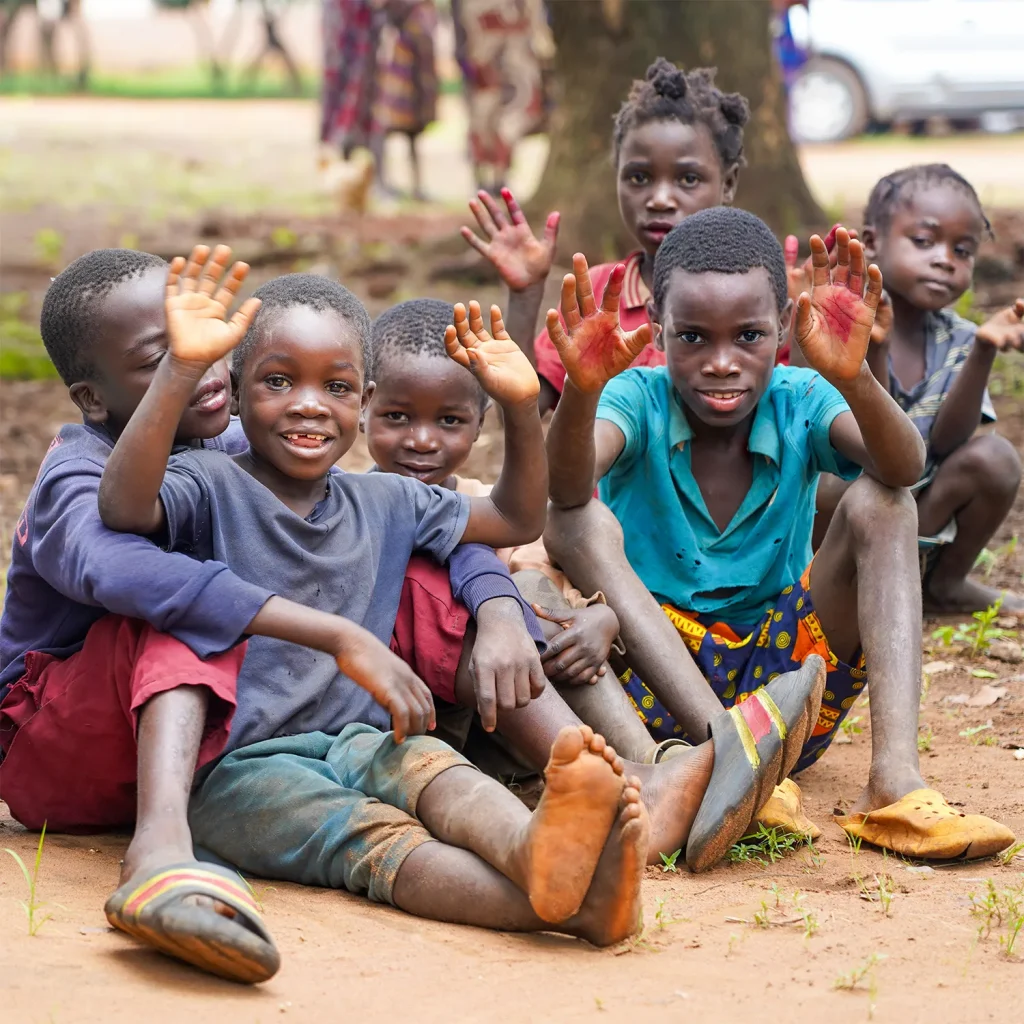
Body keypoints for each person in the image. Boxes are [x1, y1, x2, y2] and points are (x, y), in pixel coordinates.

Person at [0, 247, 543, 985]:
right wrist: (338, 633)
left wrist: (501, 603)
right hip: (57, 739)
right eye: (168, 355)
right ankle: (159, 849)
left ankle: (572, 777)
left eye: (212, 334)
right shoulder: (81, 465)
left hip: (228, 729)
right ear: (96, 397)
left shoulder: (243, 437)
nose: (207, 361)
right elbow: (126, 561)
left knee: (401, 570)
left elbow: (416, 517)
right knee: (189, 601)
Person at [95, 256, 655, 944]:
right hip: (240, 772)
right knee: (371, 842)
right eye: (277, 381)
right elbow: (123, 506)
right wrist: (181, 370)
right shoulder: (207, 481)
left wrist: (516, 405)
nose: (308, 403)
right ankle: (570, 903)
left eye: (335, 386)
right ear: (235, 394)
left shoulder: (387, 499)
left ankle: (533, 846)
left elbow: (516, 521)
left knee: (439, 771)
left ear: (361, 405)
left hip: (367, 740)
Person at [542, 206, 1016, 861]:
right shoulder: (635, 397)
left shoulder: (801, 395)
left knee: (886, 503)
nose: (721, 362)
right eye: (692, 339)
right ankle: (725, 754)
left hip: (789, 695)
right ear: (655, 327)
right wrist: (582, 391)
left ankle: (896, 780)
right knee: (577, 518)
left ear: (785, 326)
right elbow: (564, 490)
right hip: (657, 682)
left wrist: (853, 377)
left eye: (748, 336)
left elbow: (904, 467)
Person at [360, 295, 832, 871]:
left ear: (478, 425)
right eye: (397, 417)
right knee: (470, 588)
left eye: (450, 421)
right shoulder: (354, 503)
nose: (423, 441)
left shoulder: (481, 504)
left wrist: (600, 618)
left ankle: (656, 768)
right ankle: (658, 779)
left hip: (502, 712)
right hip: (406, 718)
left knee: (531, 596)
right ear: (364, 408)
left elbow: (535, 559)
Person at [461, 57, 748, 414]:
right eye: (639, 178)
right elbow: (524, 413)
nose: (659, 199)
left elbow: (801, 412)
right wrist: (525, 295)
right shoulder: (596, 294)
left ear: (728, 183)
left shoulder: (753, 290)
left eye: (688, 179)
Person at [814, 165, 1024, 615]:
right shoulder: (843, 327)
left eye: (962, 250)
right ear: (871, 242)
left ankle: (945, 584)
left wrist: (984, 350)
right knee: (830, 484)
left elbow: (949, 442)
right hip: (845, 518)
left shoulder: (961, 338)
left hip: (915, 512)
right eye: (925, 242)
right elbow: (867, 450)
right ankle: (828, 589)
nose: (945, 259)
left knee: (996, 459)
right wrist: (875, 349)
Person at [451, 0, 547, 195]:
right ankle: (485, 177)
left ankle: (499, 176)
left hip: (515, 60)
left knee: (512, 117)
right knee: (484, 117)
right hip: (484, 58)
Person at [374, 0, 439, 200]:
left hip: (420, 56)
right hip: (402, 53)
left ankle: (417, 186)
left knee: (414, 126)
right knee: (388, 122)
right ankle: (380, 182)